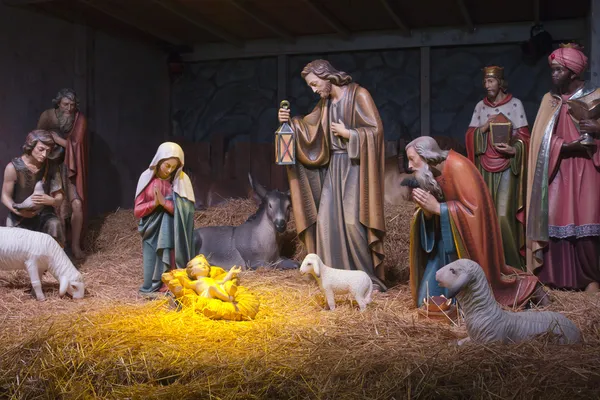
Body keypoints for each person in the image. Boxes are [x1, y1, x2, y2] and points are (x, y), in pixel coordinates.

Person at [278, 59, 387, 290]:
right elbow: (307, 129)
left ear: (326, 76)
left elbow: (376, 132)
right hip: (334, 168)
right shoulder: (324, 104)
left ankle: (365, 279)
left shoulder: (359, 95)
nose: (314, 89)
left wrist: (350, 134)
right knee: (326, 222)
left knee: (351, 223)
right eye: (311, 86)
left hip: (356, 169)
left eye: (315, 84)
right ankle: (334, 280)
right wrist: (288, 123)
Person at [406, 136, 541, 308]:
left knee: (468, 301)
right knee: (425, 299)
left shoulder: (458, 166)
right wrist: (427, 212)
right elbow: (435, 211)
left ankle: (529, 288)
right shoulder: (432, 173)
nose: (409, 166)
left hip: (467, 248)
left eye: (412, 159)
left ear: (427, 156)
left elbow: (474, 213)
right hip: (445, 245)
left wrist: (439, 209)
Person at [526, 43, 600, 293]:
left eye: (559, 69)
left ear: (574, 72)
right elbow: (539, 142)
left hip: (588, 171)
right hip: (557, 172)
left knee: (588, 223)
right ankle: (554, 280)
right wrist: (565, 147)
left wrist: (597, 131)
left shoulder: (596, 98)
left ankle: (590, 280)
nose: (554, 74)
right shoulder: (550, 101)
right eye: (553, 69)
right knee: (554, 223)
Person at [465, 66, 530, 270]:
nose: (487, 85)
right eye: (485, 81)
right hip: (485, 167)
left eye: (491, 81)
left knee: (503, 216)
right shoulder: (480, 107)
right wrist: (484, 127)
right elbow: (469, 137)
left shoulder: (515, 104)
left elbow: (526, 138)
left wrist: (514, 149)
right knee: (487, 216)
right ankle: (491, 265)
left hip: (508, 167)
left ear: (501, 83)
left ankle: (513, 265)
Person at [134, 142, 196, 294]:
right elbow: (137, 211)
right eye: (167, 165)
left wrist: (165, 203)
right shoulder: (146, 178)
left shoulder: (181, 181)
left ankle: (170, 285)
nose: (170, 170)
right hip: (152, 231)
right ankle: (154, 286)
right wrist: (155, 204)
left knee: (172, 258)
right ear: (159, 160)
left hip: (173, 233)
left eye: (174, 167)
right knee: (152, 266)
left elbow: (186, 212)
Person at [37, 88, 88, 259]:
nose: (69, 108)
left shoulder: (79, 119)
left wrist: (59, 140)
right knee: (53, 208)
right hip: (51, 167)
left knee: (77, 205)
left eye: (72, 105)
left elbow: (77, 147)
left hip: (70, 169)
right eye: (66, 104)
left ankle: (75, 246)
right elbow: (36, 138)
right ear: (58, 103)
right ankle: (55, 249)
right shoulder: (48, 116)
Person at [1, 130, 65, 245]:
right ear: (31, 146)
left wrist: (52, 200)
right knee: (18, 245)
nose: (44, 155)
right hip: (20, 216)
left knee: (54, 224)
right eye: (41, 149)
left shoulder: (51, 166)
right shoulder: (13, 168)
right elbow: (5, 196)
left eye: (48, 151)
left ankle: (54, 259)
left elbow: (59, 196)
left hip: (44, 215)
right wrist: (19, 212)